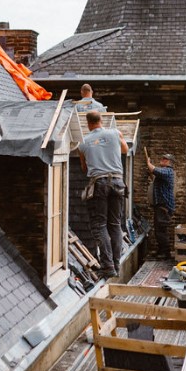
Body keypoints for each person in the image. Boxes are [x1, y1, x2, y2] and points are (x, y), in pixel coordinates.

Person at [78, 110, 128, 278]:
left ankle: (107, 266)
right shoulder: (115, 133)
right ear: (101, 120)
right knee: (115, 224)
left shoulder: (83, 142)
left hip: (99, 183)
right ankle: (116, 264)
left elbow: (84, 168)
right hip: (118, 182)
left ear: (88, 124)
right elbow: (125, 149)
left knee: (100, 225)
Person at [146, 151, 175, 259]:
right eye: (162, 158)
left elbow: (155, 170)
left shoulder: (168, 171)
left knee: (161, 230)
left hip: (164, 206)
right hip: (160, 206)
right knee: (159, 230)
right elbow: (154, 174)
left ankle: (165, 253)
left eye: (165, 159)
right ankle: (161, 251)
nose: (162, 160)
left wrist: (148, 162)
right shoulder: (164, 172)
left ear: (170, 162)